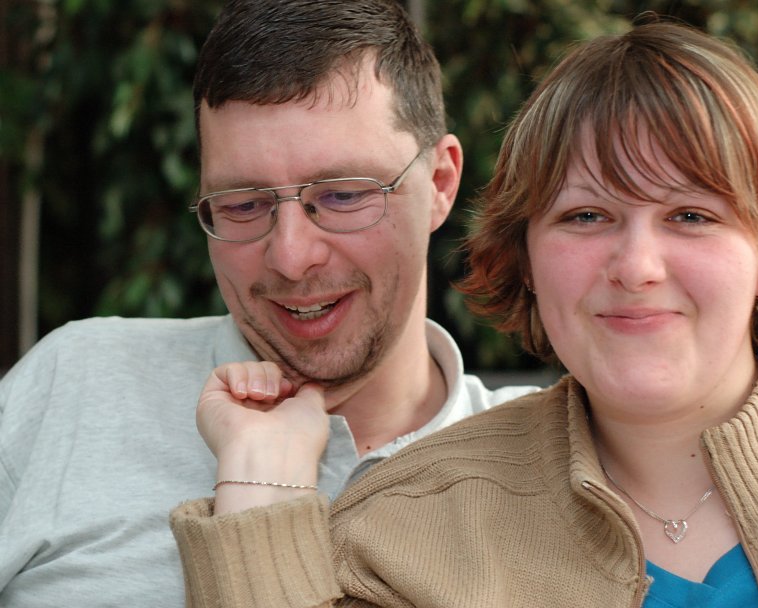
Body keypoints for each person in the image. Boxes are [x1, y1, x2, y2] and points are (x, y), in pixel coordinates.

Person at [170, 20, 758, 607]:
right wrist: (256, 487)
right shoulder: (407, 527)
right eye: (587, 216)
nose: (637, 266)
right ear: (525, 257)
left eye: (691, 216)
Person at [0, 1, 536, 605]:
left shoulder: (543, 463)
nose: (290, 256)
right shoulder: (74, 386)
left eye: (342, 195)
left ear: (440, 183)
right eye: (243, 205)